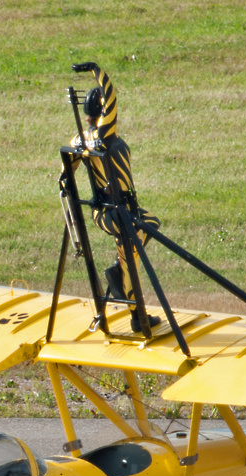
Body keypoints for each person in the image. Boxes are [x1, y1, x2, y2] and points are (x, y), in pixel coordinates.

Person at [69, 61, 160, 335]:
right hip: (120, 214)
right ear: (101, 113)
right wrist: (95, 69)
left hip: (103, 213)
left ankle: (122, 271)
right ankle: (136, 315)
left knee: (151, 223)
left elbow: (66, 173)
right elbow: (110, 94)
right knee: (133, 248)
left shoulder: (79, 141)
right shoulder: (106, 135)